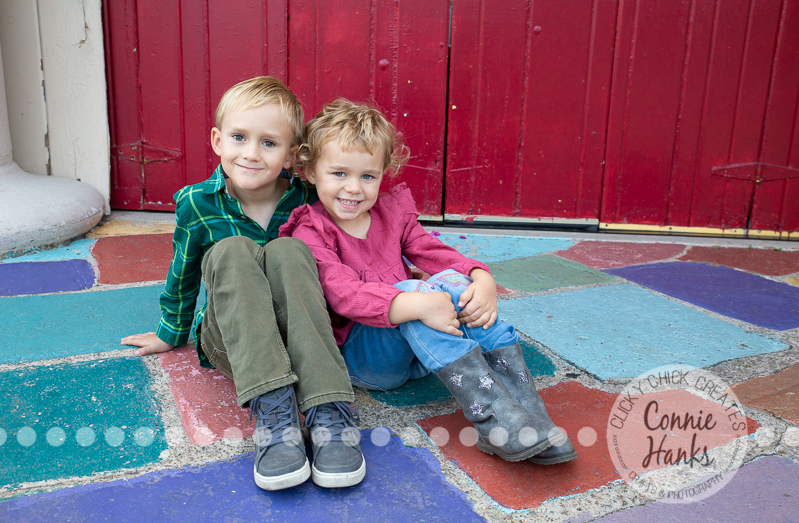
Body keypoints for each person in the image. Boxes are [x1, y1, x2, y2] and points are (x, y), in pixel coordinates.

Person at [280, 99, 576, 464]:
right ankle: (491, 416)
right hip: (368, 360)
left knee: (451, 279)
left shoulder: (391, 213)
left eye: (367, 176)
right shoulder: (312, 228)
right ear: (310, 171)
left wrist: (479, 276)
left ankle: (527, 411)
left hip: (423, 350)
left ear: (382, 172)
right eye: (339, 174)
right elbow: (343, 294)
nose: (354, 188)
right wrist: (417, 301)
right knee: (412, 289)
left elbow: (431, 251)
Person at [121, 77, 365, 491]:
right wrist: (170, 332)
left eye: (269, 143)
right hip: (232, 337)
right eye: (239, 137)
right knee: (232, 250)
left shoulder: (309, 198)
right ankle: (274, 414)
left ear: (291, 155)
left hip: (301, 333)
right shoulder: (197, 202)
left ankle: (329, 409)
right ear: (217, 140)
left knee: (289, 251)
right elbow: (182, 272)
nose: (251, 153)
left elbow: (353, 250)